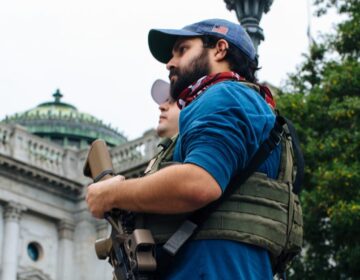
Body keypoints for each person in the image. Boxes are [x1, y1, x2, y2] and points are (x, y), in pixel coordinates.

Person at [86, 19, 299, 279]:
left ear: (220, 49)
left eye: (182, 50)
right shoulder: (244, 103)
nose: (170, 63)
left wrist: (112, 193)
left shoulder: (224, 96)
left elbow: (199, 182)